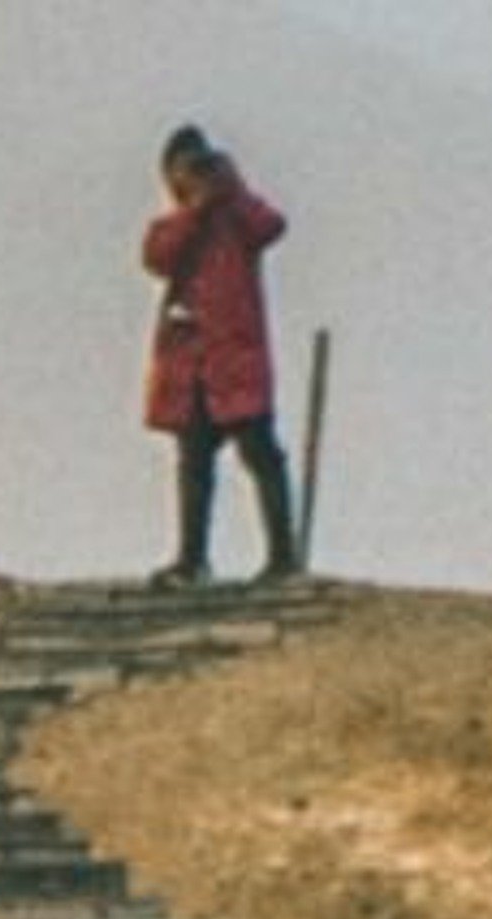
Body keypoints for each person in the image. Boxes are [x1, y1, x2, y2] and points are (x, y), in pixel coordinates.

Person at [142, 125, 301, 587]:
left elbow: (271, 225)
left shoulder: (237, 220)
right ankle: (192, 560)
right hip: (191, 369)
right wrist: (196, 208)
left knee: (261, 455)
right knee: (194, 464)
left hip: (236, 361)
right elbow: (157, 258)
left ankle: (282, 558)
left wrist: (233, 189)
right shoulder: (173, 226)